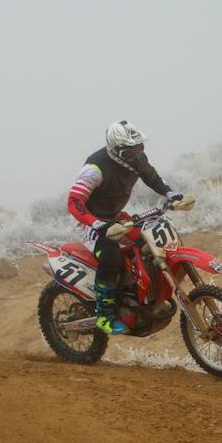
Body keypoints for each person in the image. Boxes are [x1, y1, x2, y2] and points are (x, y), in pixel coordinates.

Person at [67, 120, 190, 335]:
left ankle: (139, 294)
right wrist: (97, 224)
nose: (137, 153)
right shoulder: (95, 169)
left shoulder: (138, 159)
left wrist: (169, 193)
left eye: (139, 147)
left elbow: (151, 176)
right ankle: (105, 314)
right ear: (117, 151)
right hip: (90, 222)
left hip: (115, 217)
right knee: (111, 256)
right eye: (131, 150)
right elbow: (74, 201)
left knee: (147, 242)